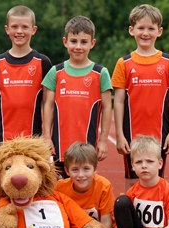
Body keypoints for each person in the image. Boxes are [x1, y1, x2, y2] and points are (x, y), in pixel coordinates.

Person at [111, 4, 169, 191]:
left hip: (160, 133)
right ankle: (131, 219)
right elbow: (118, 101)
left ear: (159, 31)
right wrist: (119, 135)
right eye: (141, 28)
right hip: (131, 133)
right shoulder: (123, 63)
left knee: (156, 180)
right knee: (132, 182)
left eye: (151, 28)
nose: (145, 33)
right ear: (131, 30)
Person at [42, 15, 112, 178]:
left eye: (84, 42)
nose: (78, 46)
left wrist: (102, 140)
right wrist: (46, 136)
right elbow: (48, 106)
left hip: (88, 146)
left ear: (92, 43)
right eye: (73, 41)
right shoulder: (56, 72)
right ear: (65, 42)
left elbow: (107, 108)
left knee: (84, 185)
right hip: (59, 146)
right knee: (60, 189)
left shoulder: (100, 73)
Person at [0, 6, 52, 144]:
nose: (19, 31)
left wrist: (47, 135)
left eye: (25, 27)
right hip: (3, 138)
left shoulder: (43, 62)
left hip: (33, 139)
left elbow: (47, 102)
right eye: (14, 26)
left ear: (34, 30)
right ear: (7, 29)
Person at [55, 141, 116, 228]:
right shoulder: (60, 187)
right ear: (67, 171)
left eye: (86, 169)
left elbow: (106, 221)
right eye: (75, 170)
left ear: (95, 169)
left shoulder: (103, 186)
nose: (81, 175)